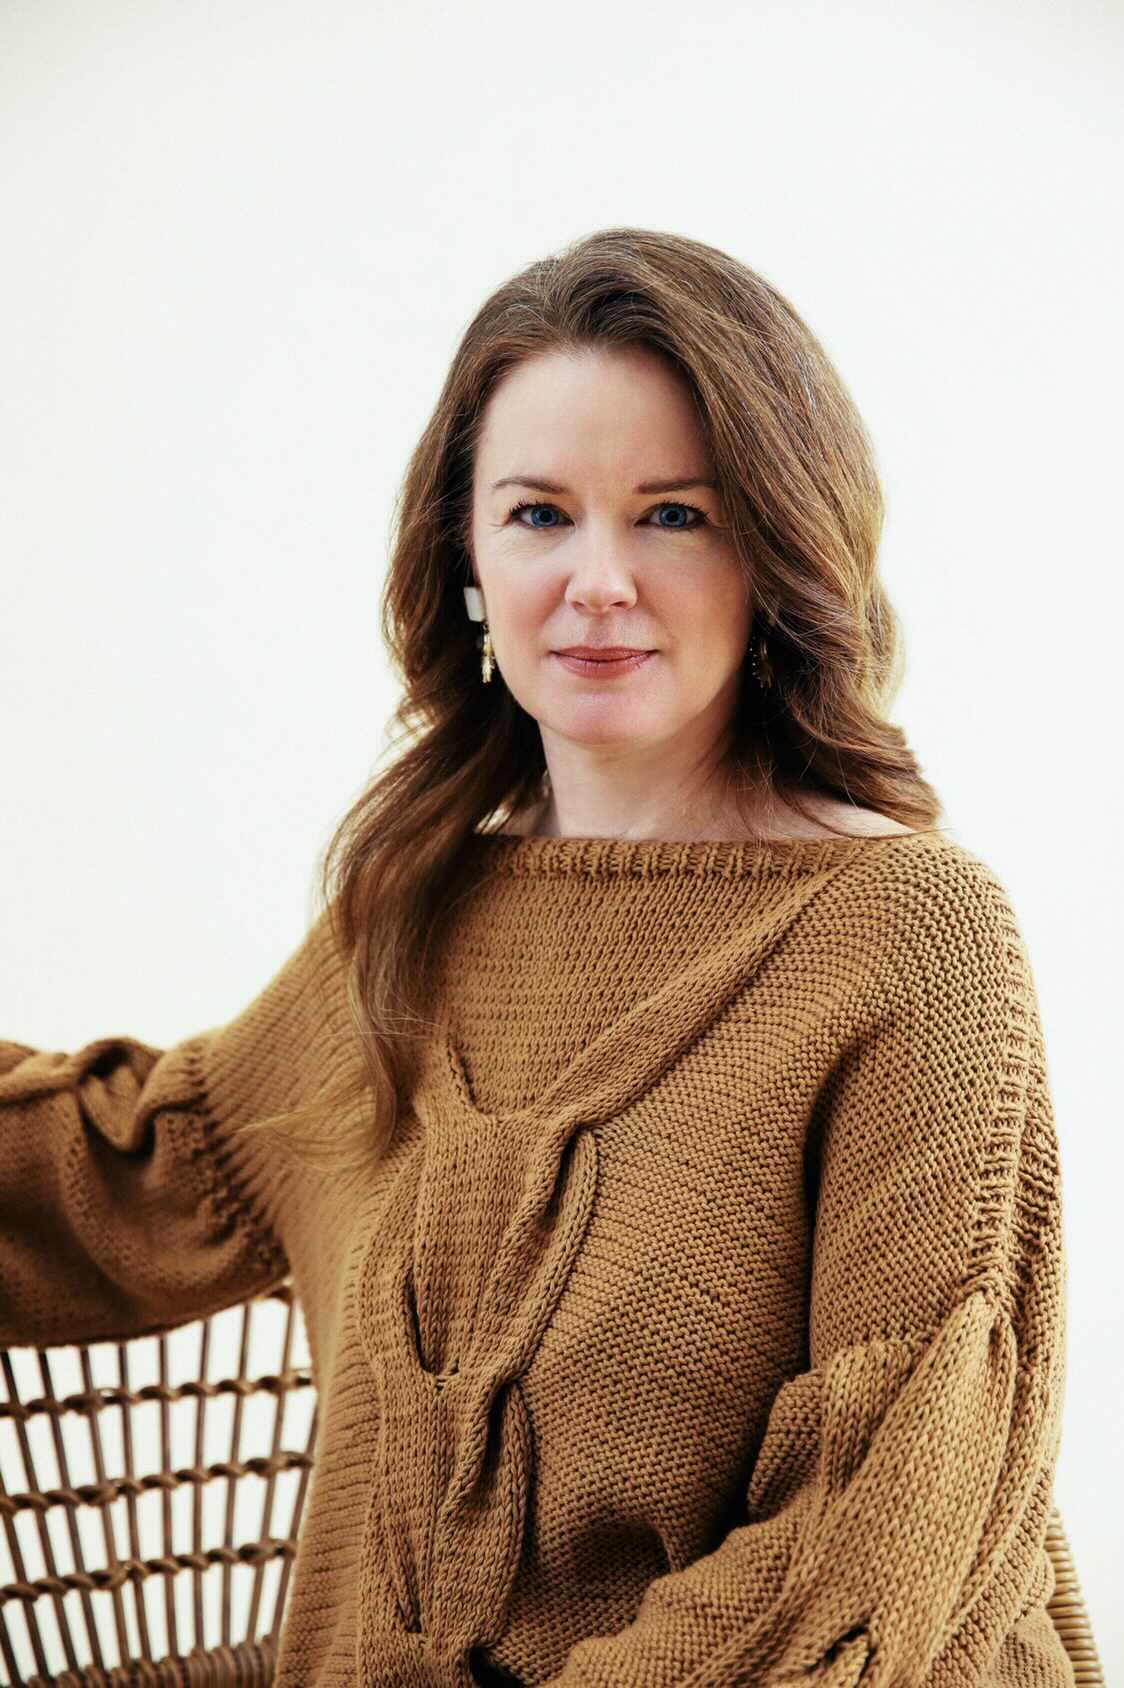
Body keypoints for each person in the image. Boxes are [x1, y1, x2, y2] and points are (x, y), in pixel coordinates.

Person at [0, 227, 1084, 1686]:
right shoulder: (419, 903)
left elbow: (876, 1526)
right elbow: (139, 1169)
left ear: (775, 553)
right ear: (465, 557)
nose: (599, 579)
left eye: (674, 516)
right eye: (538, 514)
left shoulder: (912, 937)